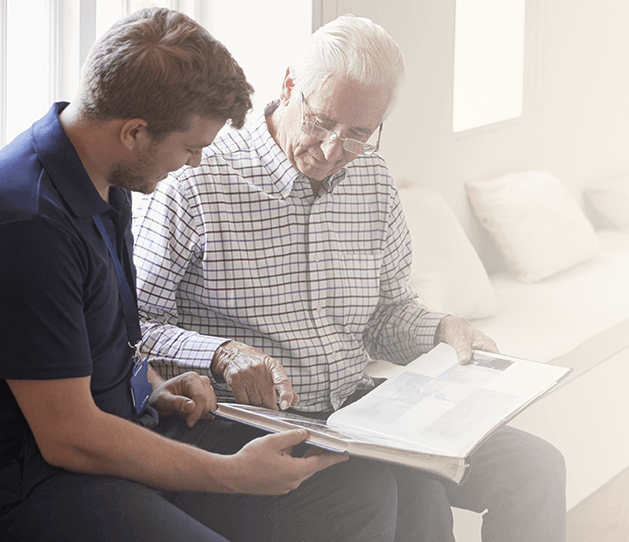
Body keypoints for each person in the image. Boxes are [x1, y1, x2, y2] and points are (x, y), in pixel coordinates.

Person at [133, 13, 567, 541]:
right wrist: (222, 353)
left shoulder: (373, 180)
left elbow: (387, 312)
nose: (336, 150)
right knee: (411, 497)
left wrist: (441, 330)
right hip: (245, 425)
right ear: (290, 85)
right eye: (322, 122)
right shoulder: (196, 180)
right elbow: (136, 326)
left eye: (359, 133)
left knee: (535, 467)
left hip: (359, 410)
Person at [0, 8, 405, 542]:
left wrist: (153, 385)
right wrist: (234, 475)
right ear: (135, 133)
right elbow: (68, 436)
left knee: (354, 494)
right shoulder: (29, 222)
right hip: (45, 476)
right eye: (190, 148)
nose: (193, 164)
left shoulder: (106, 176)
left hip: (125, 424)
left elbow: (109, 340)